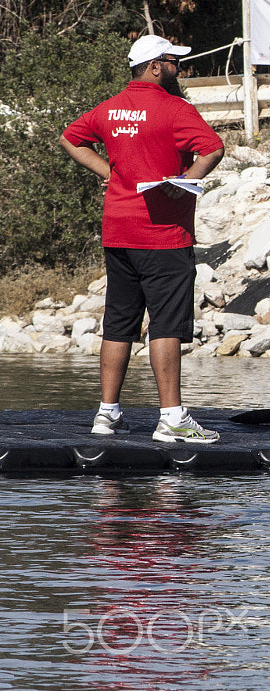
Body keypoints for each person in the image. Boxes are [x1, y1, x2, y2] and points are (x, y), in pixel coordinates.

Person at [60, 35, 226, 443]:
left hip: (117, 230)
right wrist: (187, 181)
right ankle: (171, 418)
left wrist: (109, 173)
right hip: (163, 235)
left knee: (118, 323)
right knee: (166, 325)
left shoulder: (110, 107)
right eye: (174, 63)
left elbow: (70, 138)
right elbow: (214, 148)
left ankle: (106, 413)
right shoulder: (175, 108)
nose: (179, 70)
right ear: (154, 66)